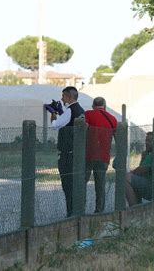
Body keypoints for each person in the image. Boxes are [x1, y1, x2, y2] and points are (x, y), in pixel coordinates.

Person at [50, 86, 84, 217]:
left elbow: (55, 125)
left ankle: (70, 212)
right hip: (77, 152)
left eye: (63, 96)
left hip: (67, 154)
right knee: (75, 184)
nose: (61, 98)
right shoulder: (80, 110)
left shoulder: (70, 110)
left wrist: (53, 113)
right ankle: (75, 210)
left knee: (67, 184)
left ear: (70, 97)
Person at [84, 97, 117, 213]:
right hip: (103, 156)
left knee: (82, 182)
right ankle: (99, 210)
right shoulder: (112, 119)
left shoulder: (88, 114)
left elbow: (83, 128)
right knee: (100, 184)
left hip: (88, 155)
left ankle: (79, 209)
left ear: (93, 106)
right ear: (105, 106)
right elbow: (117, 137)